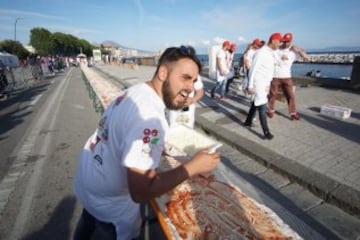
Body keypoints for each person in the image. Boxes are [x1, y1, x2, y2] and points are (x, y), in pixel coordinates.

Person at [73, 45, 221, 240]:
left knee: (88, 223)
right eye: (185, 77)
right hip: (111, 205)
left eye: (194, 81)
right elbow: (141, 192)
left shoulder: (136, 90)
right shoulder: (150, 117)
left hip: (88, 182)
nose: (191, 88)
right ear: (162, 72)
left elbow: (126, 135)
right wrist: (193, 166)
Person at [244, 33, 283, 140]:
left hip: (265, 83)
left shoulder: (270, 52)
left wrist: (268, 84)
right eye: (280, 41)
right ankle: (266, 132)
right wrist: (250, 85)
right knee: (262, 106)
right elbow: (253, 69)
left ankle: (247, 122)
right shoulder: (260, 53)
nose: (280, 44)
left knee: (256, 103)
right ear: (274, 41)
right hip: (258, 83)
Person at [267, 32, 309, 120]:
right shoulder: (276, 50)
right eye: (284, 41)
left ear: (291, 41)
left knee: (290, 95)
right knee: (273, 95)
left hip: (287, 77)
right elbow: (267, 50)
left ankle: (293, 113)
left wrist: (299, 49)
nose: (286, 43)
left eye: (288, 41)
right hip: (275, 76)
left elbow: (306, 57)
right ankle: (271, 111)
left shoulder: (293, 51)